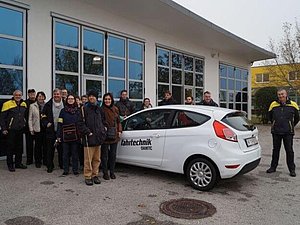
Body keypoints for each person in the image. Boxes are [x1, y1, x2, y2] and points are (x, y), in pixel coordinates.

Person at [266, 88, 299, 177]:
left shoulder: (293, 105)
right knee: (275, 150)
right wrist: (274, 123)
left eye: (282, 94)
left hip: (288, 132)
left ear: (286, 94)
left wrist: (290, 125)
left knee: (289, 151)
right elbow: (269, 116)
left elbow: (297, 117)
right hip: (276, 132)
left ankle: (292, 169)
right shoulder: (273, 104)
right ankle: (273, 167)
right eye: (279, 94)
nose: (281, 96)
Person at [78, 90, 107, 186]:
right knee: (88, 159)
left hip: (98, 138)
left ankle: (95, 175)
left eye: (93, 96)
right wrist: (88, 132)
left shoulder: (99, 109)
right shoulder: (84, 109)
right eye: (90, 96)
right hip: (88, 138)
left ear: (96, 98)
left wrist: (104, 129)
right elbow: (80, 123)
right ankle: (88, 176)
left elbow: (103, 121)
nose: (91, 98)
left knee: (97, 159)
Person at [0, 90, 27, 172]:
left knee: (19, 147)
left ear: (21, 96)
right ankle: (10, 164)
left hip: (20, 129)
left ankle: (18, 163)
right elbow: (2, 118)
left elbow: (25, 116)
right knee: (10, 148)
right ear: (13, 95)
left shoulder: (24, 104)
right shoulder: (7, 104)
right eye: (16, 95)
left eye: (19, 95)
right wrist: (4, 128)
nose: (18, 96)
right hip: (11, 130)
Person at [41, 88, 64, 173]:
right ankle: (50, 166)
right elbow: (43, 116)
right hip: (51, 130)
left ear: (61, 95)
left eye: (58, 94)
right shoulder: (48, 105)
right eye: (55, 94)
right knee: (49, 150)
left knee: (61, 149)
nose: (56, 96)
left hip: (62, 131)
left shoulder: (65, 103)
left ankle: (62, 164)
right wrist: (46, 123)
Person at [57, 94, 81, 176]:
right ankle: (66, 170)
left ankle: (75, 170)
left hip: (75, 136)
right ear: (66, 100)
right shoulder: (63, 111)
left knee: (75, 154)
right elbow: (59, 123)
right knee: (65, 154)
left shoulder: (78, 111)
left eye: (72, 99)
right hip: (65, 135)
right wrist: (58, 136)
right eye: (69, 99)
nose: (70, 100)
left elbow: (80, 123)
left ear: (75, 100)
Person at [101, 93, 122, 180]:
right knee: (104, 155)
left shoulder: (116, 109)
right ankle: (105, 172)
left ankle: (112, 172)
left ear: (112, 100)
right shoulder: (101, 109)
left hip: (114, 134)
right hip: (105, 135)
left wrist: (120, 130)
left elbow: (118, 121)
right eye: (105, 99)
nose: (107, 101)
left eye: (109, 99)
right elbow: (99, 122)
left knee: (113, 155)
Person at [28, 91, 47, 168]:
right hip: (37, 128)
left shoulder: (47, 105)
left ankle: (45, 160)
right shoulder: (32, 106)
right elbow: (30, 118)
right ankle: (38, 161)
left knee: (45, 146)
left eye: (42, 96)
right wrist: (31, 129)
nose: (41, 98)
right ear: (37, 97)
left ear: (44, 97)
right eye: (39, 96)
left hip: (45, 129)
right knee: (37, 146)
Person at [25, 89, 36, 165]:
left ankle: (38, 159)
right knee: (29, 144)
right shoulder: (25, 103)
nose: (32, 95)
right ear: (28, 95)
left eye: (33, 93)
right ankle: (29, 159)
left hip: (37, 126)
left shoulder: (38, 102)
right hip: (27, 127)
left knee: (38, 144)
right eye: (30, 94)